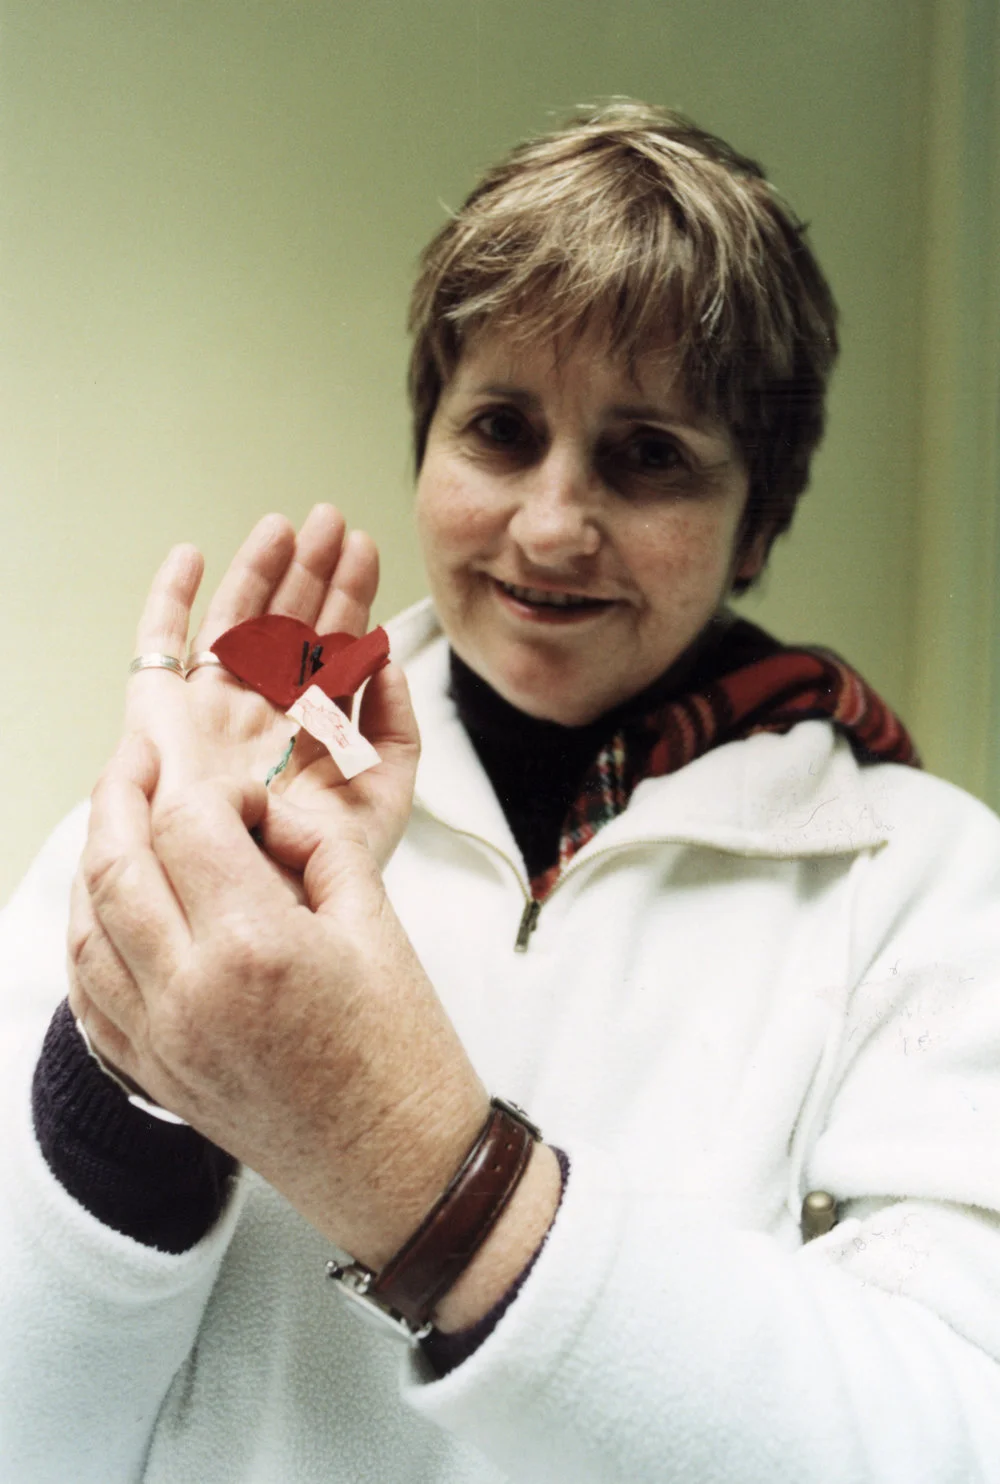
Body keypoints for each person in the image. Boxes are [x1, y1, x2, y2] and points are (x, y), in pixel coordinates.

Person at [2, 100, 1000, 1484]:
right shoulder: (208, 801)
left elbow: (951, 1444)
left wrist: (420, 1172)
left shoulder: (929, 887)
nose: (550, 524)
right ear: (429, 447)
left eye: (649, 454)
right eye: (501, 429)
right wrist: (131, 1082)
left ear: (759, 518)